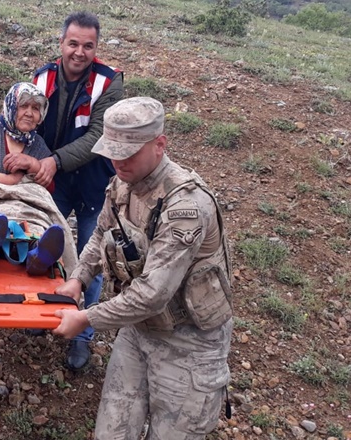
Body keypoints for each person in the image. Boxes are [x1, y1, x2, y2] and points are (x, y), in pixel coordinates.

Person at [52, 97, 234, 439]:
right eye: (113, 152)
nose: (118, 162)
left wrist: (87, 318)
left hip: (189, 343)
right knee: (113, 431)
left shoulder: (185, 207)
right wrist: (78, 279)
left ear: (159, 144)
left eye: (129, 153)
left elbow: (153, 294)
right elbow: (101, 233)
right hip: (138, 330)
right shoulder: (122, 182)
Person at [31, 11, 124, 370]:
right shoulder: (42, 77)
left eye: (88, 46)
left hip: (93, 184)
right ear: (61, 43)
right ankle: (41, 311)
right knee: (43, 246)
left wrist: (53, 161)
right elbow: (29, 125)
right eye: (73, 43)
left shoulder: (109, 82)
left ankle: (82, 335)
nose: (79, 52)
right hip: (52, 182)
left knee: (92, 258)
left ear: (96, 48)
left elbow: (99, 135)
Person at [0, 82, 75, 277]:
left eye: (35, 108)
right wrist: (7, 180)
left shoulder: (38, 145)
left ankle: (38, 256)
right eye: (23, 106)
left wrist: (34, 165)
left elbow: (48, 190)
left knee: (34, 223)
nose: (29, 113)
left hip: (23, 205)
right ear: (11, 106)